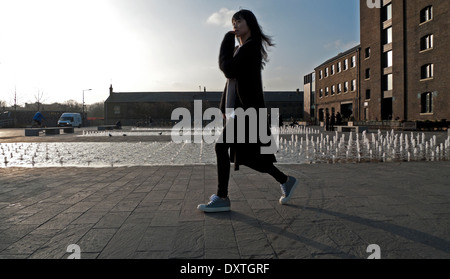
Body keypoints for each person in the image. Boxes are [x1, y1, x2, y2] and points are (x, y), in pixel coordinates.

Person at [198, 9, 298, 213]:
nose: (234, 25)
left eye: (238, 21)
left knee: (222, 148)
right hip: (240, 112)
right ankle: (285, 180)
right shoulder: (241, 49)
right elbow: (232, 83)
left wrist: (226, 40)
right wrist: (225, 109)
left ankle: (223, 197)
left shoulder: (250, 47)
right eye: (232, 22)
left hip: (247, 111)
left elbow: (228, 70)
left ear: (249, 23)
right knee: (248, 157)